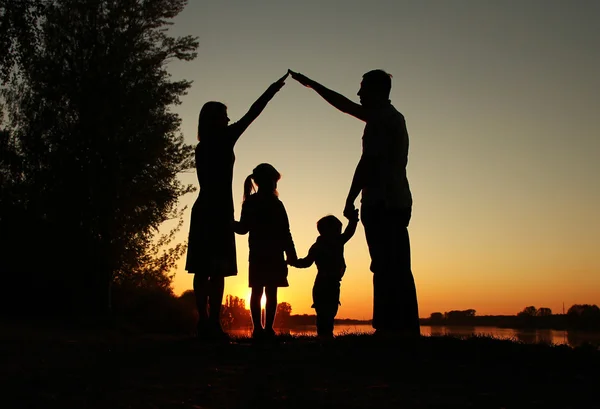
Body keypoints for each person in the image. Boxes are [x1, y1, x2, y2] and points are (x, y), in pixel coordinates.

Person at [288, 69, 419, 337]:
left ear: (377, 91)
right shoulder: (389, 118)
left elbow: (368, 163)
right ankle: (402, 327)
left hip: (384, 202)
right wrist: (312, 84)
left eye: (363, 89)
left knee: (385, 265)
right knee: (395, 265)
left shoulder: (382, 121)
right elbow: (345, 106)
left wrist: (349, 198)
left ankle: (390, 328)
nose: (358, 94)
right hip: (396, 201)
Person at [185, 73, 288, 341]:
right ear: (214, 119)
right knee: (215, 270)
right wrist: (272, 91)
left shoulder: (202, 146)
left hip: (204, 208)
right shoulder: (224, 138)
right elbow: (252, 114)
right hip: (218, 211)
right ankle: (213, 323)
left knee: (204, 269)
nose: (229, 120)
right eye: (224, 116)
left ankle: (206, 322)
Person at [234, 163, 297, 340]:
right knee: (270, 292)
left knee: (258, 291)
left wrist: (230, 223)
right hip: (272, 254)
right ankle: (266, 329)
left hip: (258, 254)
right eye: (275, 181)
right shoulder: (276, 205)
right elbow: (286, 232)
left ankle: (260, 330)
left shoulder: (251, 203)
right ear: (268, 182)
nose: (276, 185)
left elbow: (242, 228)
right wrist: (290, 253)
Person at [289, 210, 359, 339]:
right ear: (328, 231)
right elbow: (306, 262)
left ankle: (326, 335)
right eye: (337, 230)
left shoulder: (332, 242)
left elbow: (306, 262)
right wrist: (293, 262)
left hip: (331, 283)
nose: (339, 232)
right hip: (323, 283)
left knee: (329, 311)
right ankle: (323, 335)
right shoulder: (323, 245)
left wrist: (354, 221)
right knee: (324, 311)